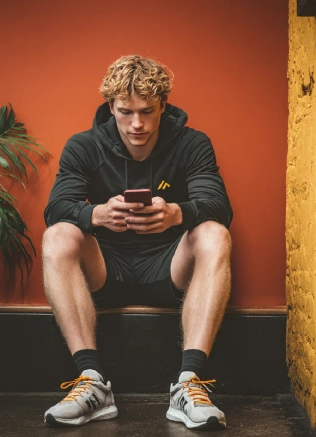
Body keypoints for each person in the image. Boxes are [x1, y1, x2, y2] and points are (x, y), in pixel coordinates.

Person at [41, 54, 234, 430]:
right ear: (110, 106)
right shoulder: (84, 146)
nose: (137, 124)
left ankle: (189, 384)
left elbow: (219, 207)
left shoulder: (192, 144)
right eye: (125, 111)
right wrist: (95, 214)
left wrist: (177, 213)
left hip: (170, 269)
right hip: (105, 270)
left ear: (164, 103)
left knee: (214, 232)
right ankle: (92, 382)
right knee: (59, 234)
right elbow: (56, 208)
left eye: (147, 111)